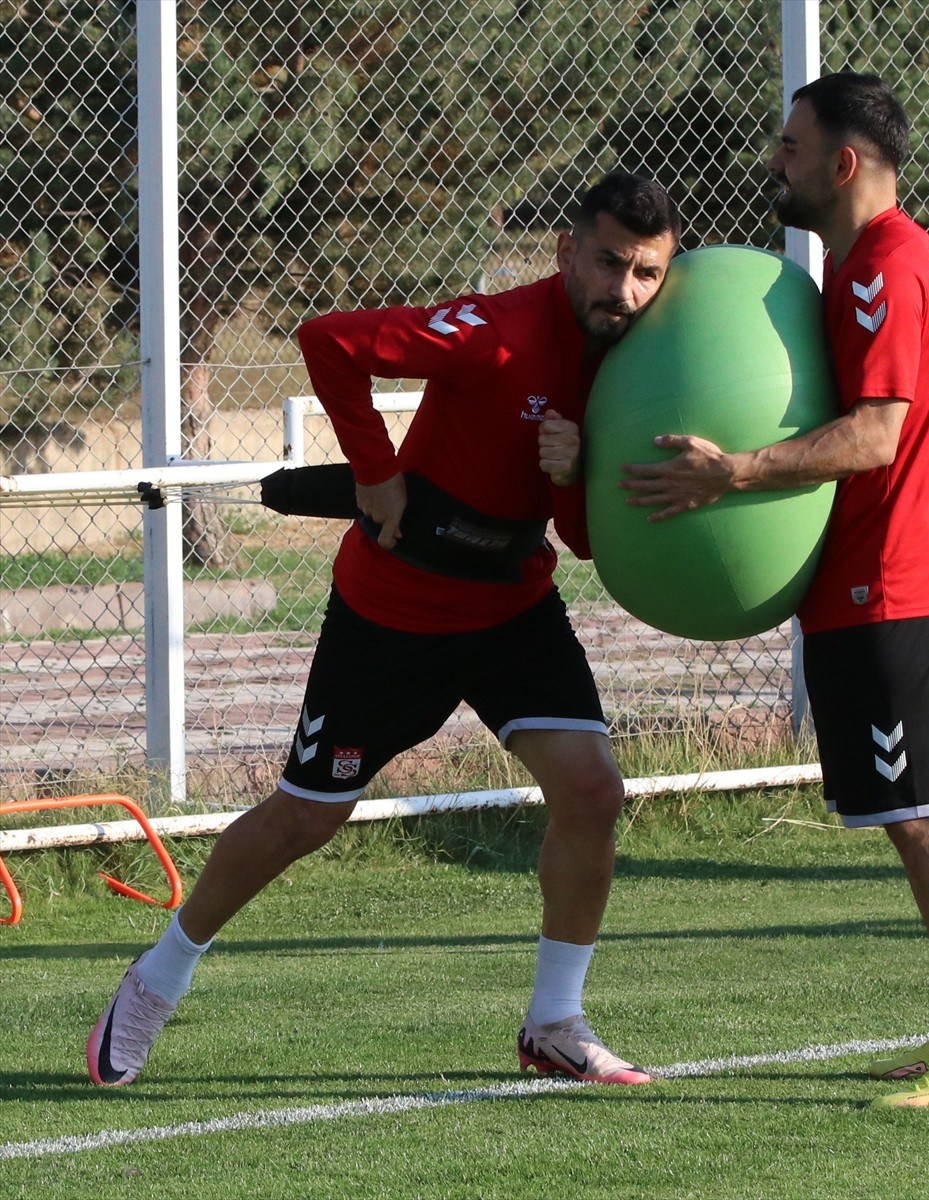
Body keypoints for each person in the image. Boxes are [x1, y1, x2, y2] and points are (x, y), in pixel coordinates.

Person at [87, 172, 682, 1089]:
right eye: (608, 264)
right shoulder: (492, 332)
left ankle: (553, 1023)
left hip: (515, 606)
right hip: (393, 610)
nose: (625, 292)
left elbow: (583, 541)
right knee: (307, 817)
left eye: (647, 273)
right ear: (569, 252)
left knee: (593, 792)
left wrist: (573, 471)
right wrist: (375, 469)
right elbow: (327, 340)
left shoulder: (643, 361)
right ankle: (156, 978)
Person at [619, 72, 929, 1107]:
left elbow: (878, 433)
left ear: (843, 163)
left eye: (792, 148)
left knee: (924, 815)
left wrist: (736, 471)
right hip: (864, 587)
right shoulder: (863, 265)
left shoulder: (884, 264)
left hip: (892, 586)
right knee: (907, 814)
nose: (776, 162)